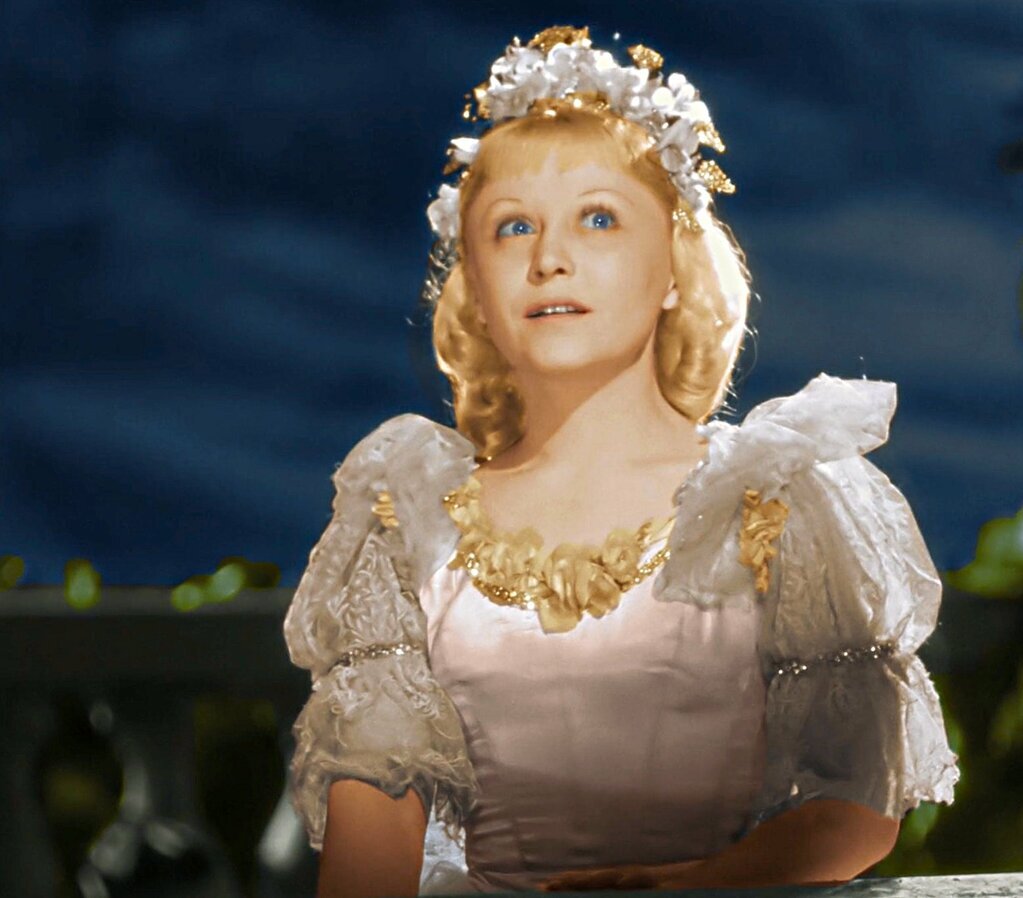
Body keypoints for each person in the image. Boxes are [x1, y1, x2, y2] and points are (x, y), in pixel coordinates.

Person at [282, 25, 959, 898]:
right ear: (475, 290)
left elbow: (855, 806)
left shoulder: (776, 501)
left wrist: (686, 887)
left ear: (674, 267)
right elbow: (372, 835)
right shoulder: (410, 524)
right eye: (513, 227)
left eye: (597, 219)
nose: (549, 259)